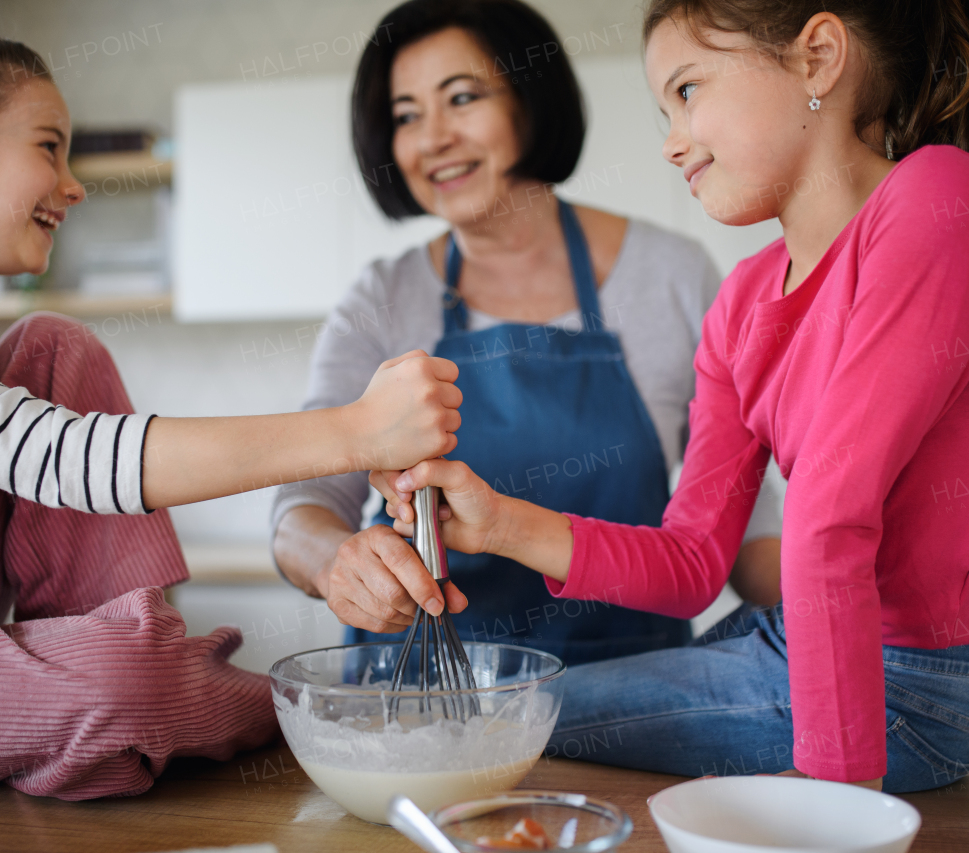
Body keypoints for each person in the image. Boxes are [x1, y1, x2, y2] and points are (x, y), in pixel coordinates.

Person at [370, 0, 969, 793]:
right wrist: (501, 523)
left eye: (688, 90)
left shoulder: (940, 199)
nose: (671, 140)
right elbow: (694, 561)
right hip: (783, 644)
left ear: (819, 58)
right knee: (502, 713)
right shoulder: (742, 302)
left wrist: (842, 813)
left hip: (902, 692)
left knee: (485, 716)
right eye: (662, 108)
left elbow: (830, 512)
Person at [0, 16, 461, 800]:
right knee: (136, 681)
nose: (73, 182)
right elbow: (64, 456)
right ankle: (200, 695)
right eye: (48, 146)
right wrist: (358, 431)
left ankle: (141, 674)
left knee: (55, 347)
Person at [271, 0, 783, 667]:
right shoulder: (381, 299)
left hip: (631, 692)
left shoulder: (670, 275)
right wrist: (332, 562)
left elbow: (746, 512)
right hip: (429, 695)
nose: (432, 139)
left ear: (530, 99)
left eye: (461, 98)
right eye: (405, 115)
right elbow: (304, 503)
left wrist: (854, 604)